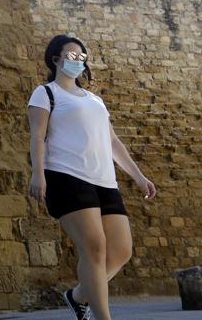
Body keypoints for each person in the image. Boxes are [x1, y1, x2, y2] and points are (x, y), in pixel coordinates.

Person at [27, 34, 156, 320]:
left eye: (82, 57)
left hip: (104, 181)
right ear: (56, 59)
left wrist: (138, 176)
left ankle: (78, 296)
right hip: (66, 176)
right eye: (72, 56)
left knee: (121, 251)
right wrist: (38, 174)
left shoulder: (94, 100)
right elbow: (37, 136)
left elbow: (113, 142)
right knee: (94, 248)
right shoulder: (45, 93)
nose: (78, 61)